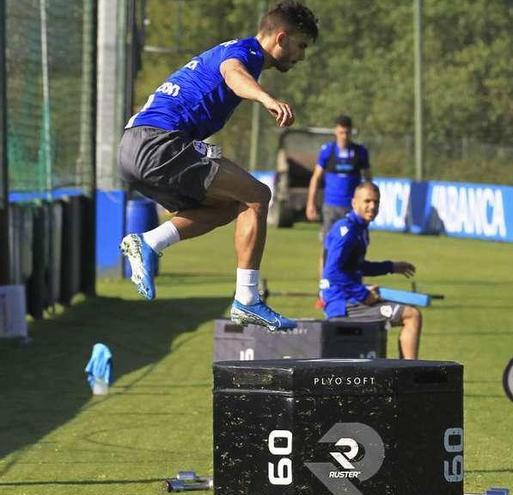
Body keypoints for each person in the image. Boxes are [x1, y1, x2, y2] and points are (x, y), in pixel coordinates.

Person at [117, 1, 319, 330]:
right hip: (159, 143)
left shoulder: (234, 49)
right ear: (280, 38)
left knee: (229, 207)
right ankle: (248, 300)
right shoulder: (247, 54)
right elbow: (233, 75)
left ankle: (150, 242)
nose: (301, 56)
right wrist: (267, 99)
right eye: (301, 46)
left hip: (133, 148)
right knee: (257, 195)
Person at [321, 182, 422, 359]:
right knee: (411, 315)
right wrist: (362, 293)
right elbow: (332, 271)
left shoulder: (359, 228)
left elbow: (356, 266)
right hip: (342, 305)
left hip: (347, 298)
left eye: (376, 202)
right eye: (367, 201)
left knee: (408, 312)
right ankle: (411, 372)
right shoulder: (348, 231)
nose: (372, 206)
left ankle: (405, 371)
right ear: (354, 203)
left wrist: (391, 267)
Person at [306, 114, 372, 246]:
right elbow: (316, 178)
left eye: (347, 132)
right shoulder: (328, 151)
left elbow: (368, 179)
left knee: (354, 244)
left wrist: (369, 201)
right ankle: (324, 268)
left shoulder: (360, 152)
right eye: (341, 132)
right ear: (336, 131)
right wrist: (310, 203)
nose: (344, 136)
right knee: (328, 246)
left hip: (353, 207)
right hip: (331, 206)